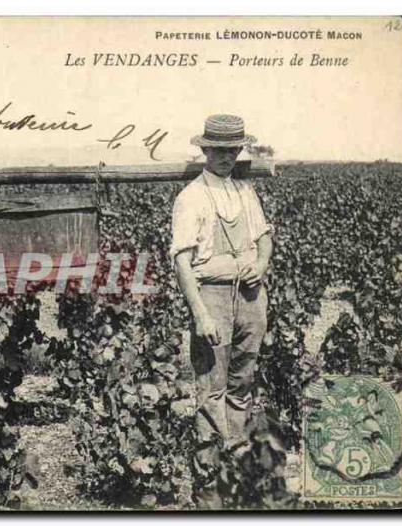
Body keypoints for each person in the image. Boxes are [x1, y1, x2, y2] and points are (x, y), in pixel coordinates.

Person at [169, 114, 274, 508]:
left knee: (243, 384)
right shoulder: (191, 198)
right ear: (205, 151)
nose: (227, 157)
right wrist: (200, 314)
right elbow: (182, 261)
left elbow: (264, 240)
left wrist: (261, 264)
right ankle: (209, 490)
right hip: (211, 295)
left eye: (233, 150)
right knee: (211, 392)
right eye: (219, 150)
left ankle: (237, 474)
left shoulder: (246, 192)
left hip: (251, 296)